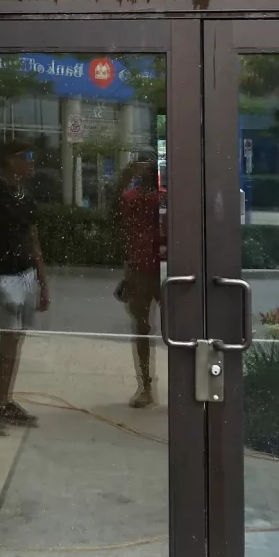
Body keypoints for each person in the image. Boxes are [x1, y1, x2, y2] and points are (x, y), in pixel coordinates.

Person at [0, 139, 49, 434]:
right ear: (8, 160)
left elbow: (33, 241)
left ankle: (5, 401)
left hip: (26, 273)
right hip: (3, 275)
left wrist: (43, 282)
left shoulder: (25, 196)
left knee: (15, 338)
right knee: (8, 337)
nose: (31, 162)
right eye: (26, 156)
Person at [114, 157, 166, 408]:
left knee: (178, 329)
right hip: (139, 270)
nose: (144, 170)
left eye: (148, 166)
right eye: (140, 165)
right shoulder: (130, 198)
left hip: (167, 270)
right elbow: (116, 219)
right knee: (141, 327)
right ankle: (145, 386)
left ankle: (181, 383)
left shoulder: (164, 197)